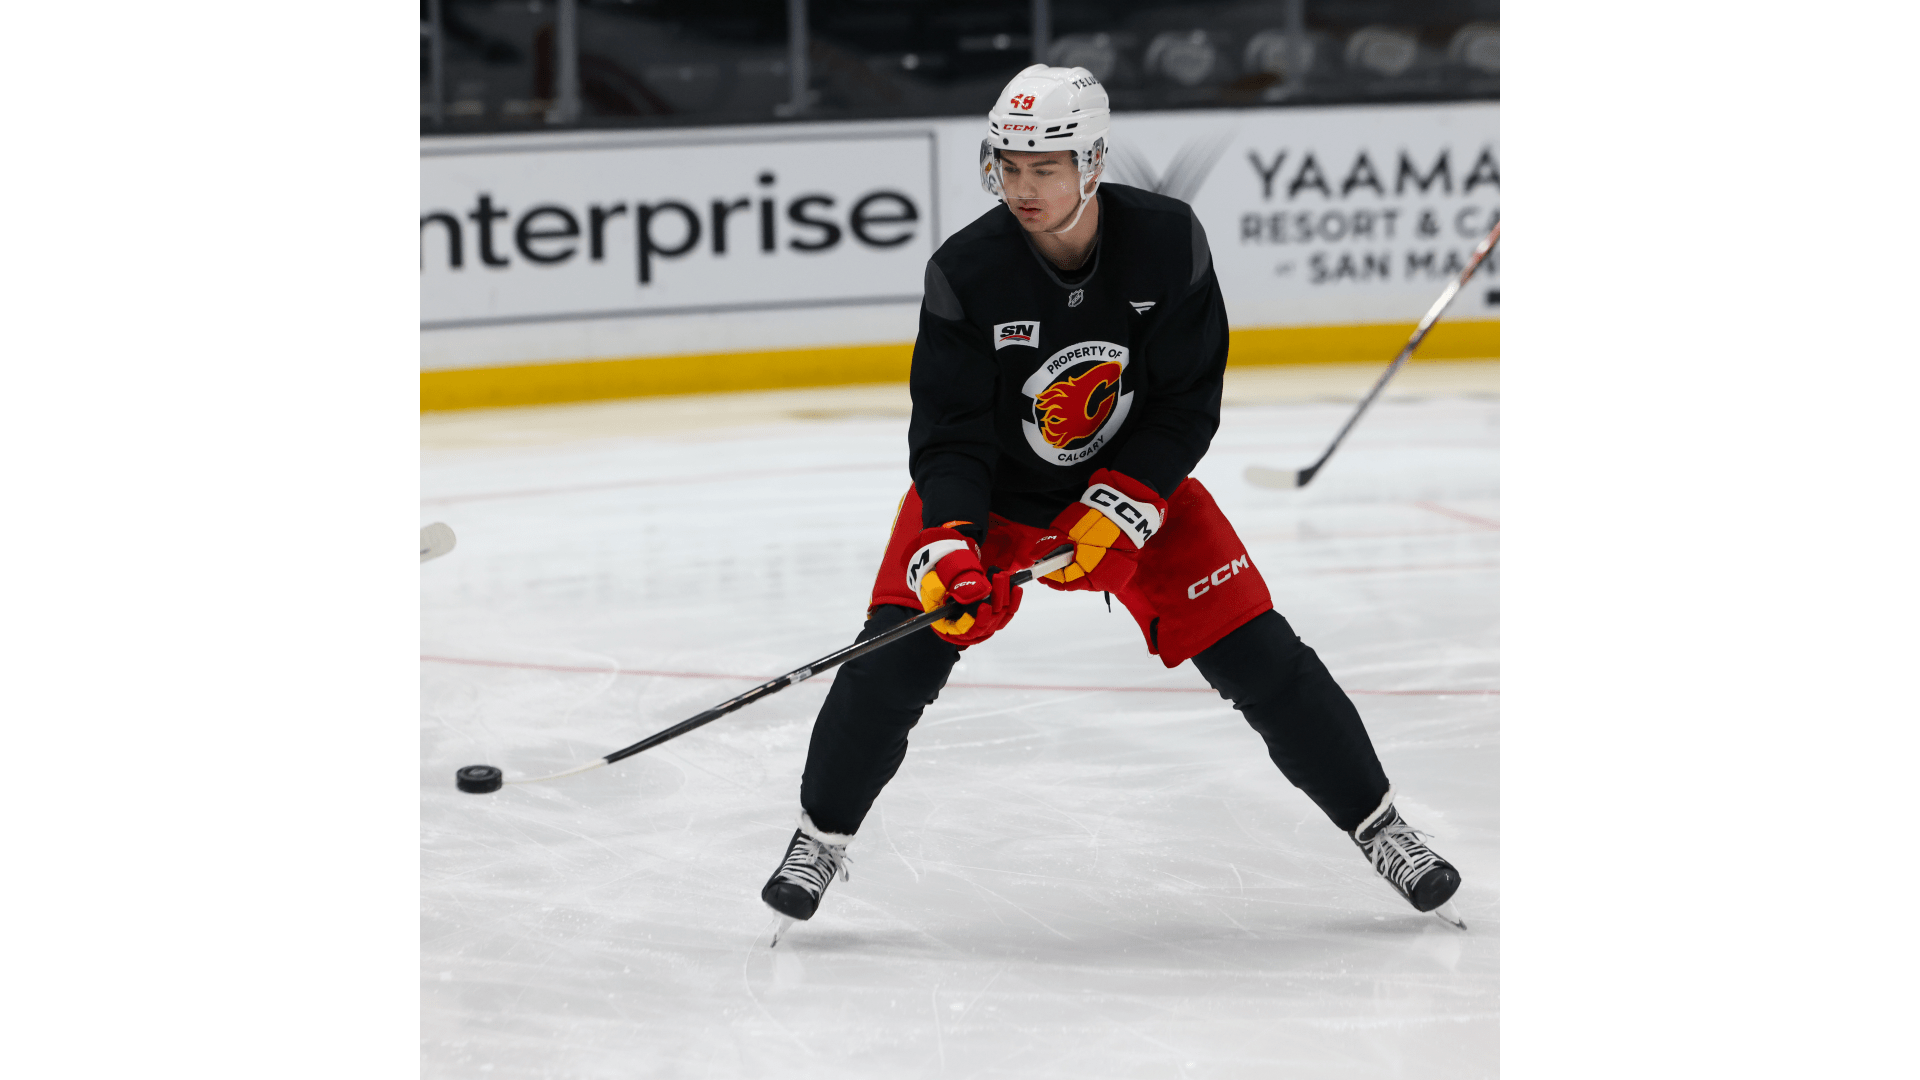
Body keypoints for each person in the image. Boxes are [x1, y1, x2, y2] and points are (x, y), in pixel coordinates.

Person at [760, 64, 1464, 932]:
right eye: (1008, 166)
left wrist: (1121, 505)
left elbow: (1185, 404)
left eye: (1044, 167)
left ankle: (1383, 828)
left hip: (1137, 490)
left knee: (1263, 658)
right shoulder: (966, 271)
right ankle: (819, 838)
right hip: (995, 503)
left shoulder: (1168, 243)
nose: (1022, 187)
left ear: (1092, 162)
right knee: (888, 663)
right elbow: (949, 435)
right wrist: (950, 539)